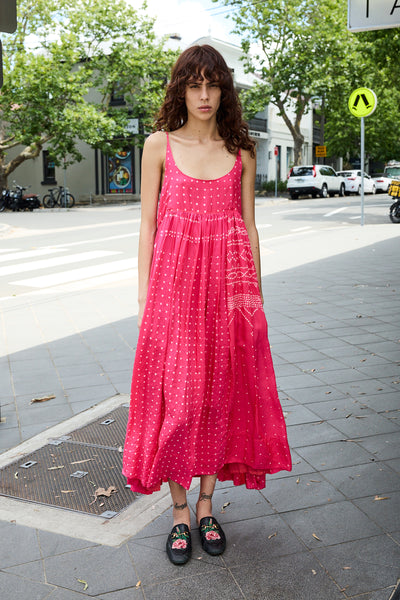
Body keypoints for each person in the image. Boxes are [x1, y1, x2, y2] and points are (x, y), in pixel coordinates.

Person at [123, 44, 292, 566]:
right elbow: (148, 227)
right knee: (180, 402)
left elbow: (249, 230)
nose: (202, 95)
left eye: (211, 85)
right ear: (181, 89)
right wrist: (146, 298)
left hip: (225, 297)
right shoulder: (157, 146)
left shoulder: (241, 153)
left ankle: (205, 504)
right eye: (193, 84)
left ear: (224, 91)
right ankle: (177, 513)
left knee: (218, 401)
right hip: (173, 296)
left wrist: (255, 302)